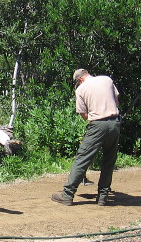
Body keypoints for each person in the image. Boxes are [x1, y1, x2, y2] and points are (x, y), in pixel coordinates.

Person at [52, 69, 121, 207]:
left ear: (79, 80)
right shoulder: (106, 79)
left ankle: (67, 195)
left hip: (97, 125)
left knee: (82, 159)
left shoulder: (81, 90)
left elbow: (84, 115)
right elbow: (117, 102)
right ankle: (103, 197)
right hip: (115, 123)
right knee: (109, 160)